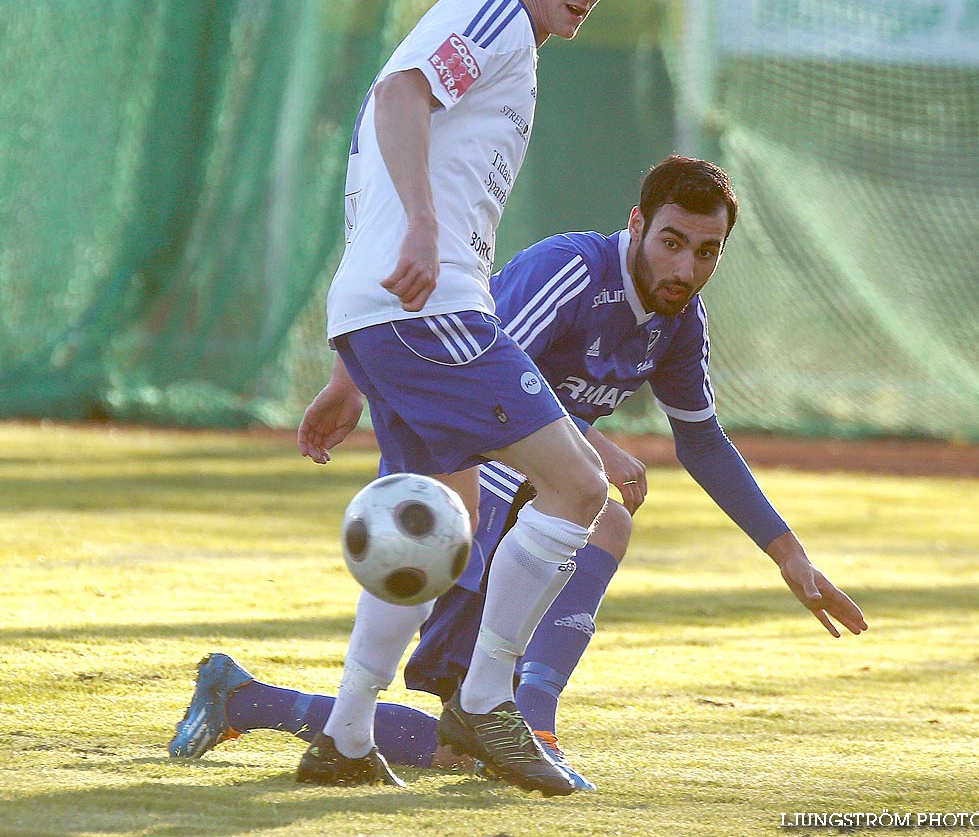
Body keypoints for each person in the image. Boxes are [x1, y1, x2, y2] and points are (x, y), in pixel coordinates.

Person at [170, 156, 868, 791]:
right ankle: (476, 721)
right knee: (469, 722)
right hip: (457, 478)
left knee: (597, 532)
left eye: (706, 251)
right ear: (636, 226)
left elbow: (703, 442)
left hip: (514, 485)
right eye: (671, 242)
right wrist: (590, 445)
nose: (685, 268)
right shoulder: (571, 271)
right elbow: (481, 386)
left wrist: (788, 555)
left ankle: (509, 722)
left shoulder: (679, 322)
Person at [170, 0, 635, 798]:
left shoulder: (512, 47)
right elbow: (397, 97)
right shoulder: (494, 14)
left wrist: (353, 367)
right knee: (582, 485)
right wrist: (421, 232)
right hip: (432, 312)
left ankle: (345, 737)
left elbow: (388, 173)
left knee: (436, 524)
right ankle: (483, 700)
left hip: (392, 316)